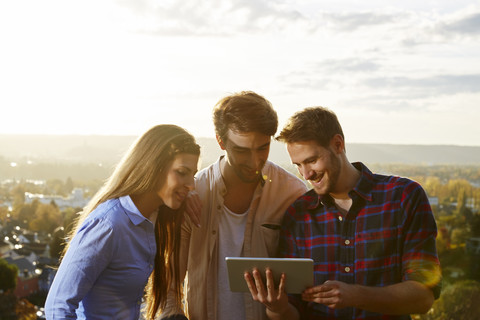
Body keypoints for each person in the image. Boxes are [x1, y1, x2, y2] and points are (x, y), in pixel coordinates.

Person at [244, 107, 442, 320]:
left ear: (338, 144)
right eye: (298, 165)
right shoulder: (298, 214)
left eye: (311, 160)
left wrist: (356, 295)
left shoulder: (403, 197)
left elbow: (424, 297)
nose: (306, 174)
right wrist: (277, 308)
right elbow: (293, 313)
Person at [159, 91, 308, 320]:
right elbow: (169, 281)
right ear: (220, 141)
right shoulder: (193, 193)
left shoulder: (293, 193)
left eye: (262, 148)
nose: (254, 162)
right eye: (241, 150)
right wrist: (173, 315)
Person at [45, 124, 200, 320]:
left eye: (192, 175)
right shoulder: (108, 225)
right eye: (182, 172)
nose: (191, 184)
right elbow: (57, 307)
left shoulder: (153, 220)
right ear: (154, 167)